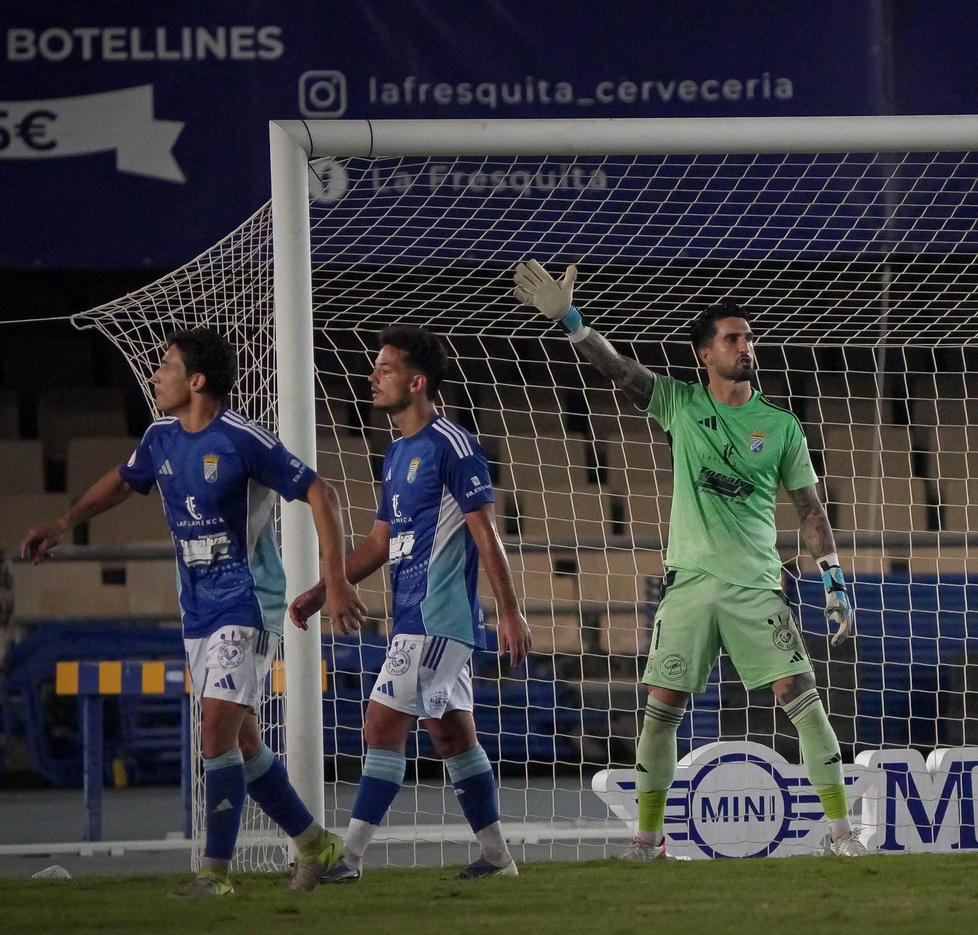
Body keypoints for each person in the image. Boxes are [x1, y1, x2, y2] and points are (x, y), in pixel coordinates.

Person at [512, 258, 864, 858]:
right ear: (706, 353)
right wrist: (572, 321)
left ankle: (841, 834)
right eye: (733, 338)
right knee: (659, 713)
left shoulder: (779, 425)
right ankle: (649, 841)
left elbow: (810, 510)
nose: (746, 346)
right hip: (690, 587)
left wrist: (832, 577)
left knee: (803, 700)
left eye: (749, 337)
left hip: (756, 585)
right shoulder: (679, 403)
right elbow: (621, 371)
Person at [21, 327, 358, 896]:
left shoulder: (242, 439)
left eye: (166, 365)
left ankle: (214, 875)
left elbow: (321, 492)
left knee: (214, 733)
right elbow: (124, 482)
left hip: (246, 602)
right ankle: (316, 846)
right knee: (244, 739)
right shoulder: (160, 438)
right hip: (197, 606)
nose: (155, 374)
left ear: (196, 381)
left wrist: (335, 577)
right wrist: (62, 523)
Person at [290, 325, 533, 881]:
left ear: (417, 382)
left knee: (380, 726)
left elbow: (484, 533)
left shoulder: (453, 444)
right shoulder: (398, 452)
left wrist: (510, 611)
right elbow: (380, 543)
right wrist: (321, 589)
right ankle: (498, 858)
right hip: (415, 617)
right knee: (450, 734)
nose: (372, 377)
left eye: (386, 369)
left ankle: (346, 859)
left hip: (437, 617)